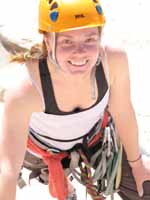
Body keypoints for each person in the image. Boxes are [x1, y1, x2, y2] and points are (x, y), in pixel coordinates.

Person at [0, 0, 150, 200]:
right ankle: (57, 175)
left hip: (95, 138)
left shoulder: (112, 61)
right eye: (67, 41)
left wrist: (137, 165)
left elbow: (122, 111)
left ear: (100, 36)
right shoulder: (25, 92)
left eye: (89, 39)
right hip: (39, 152)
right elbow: (8, 168)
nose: (79, 52)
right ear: (47, 40)